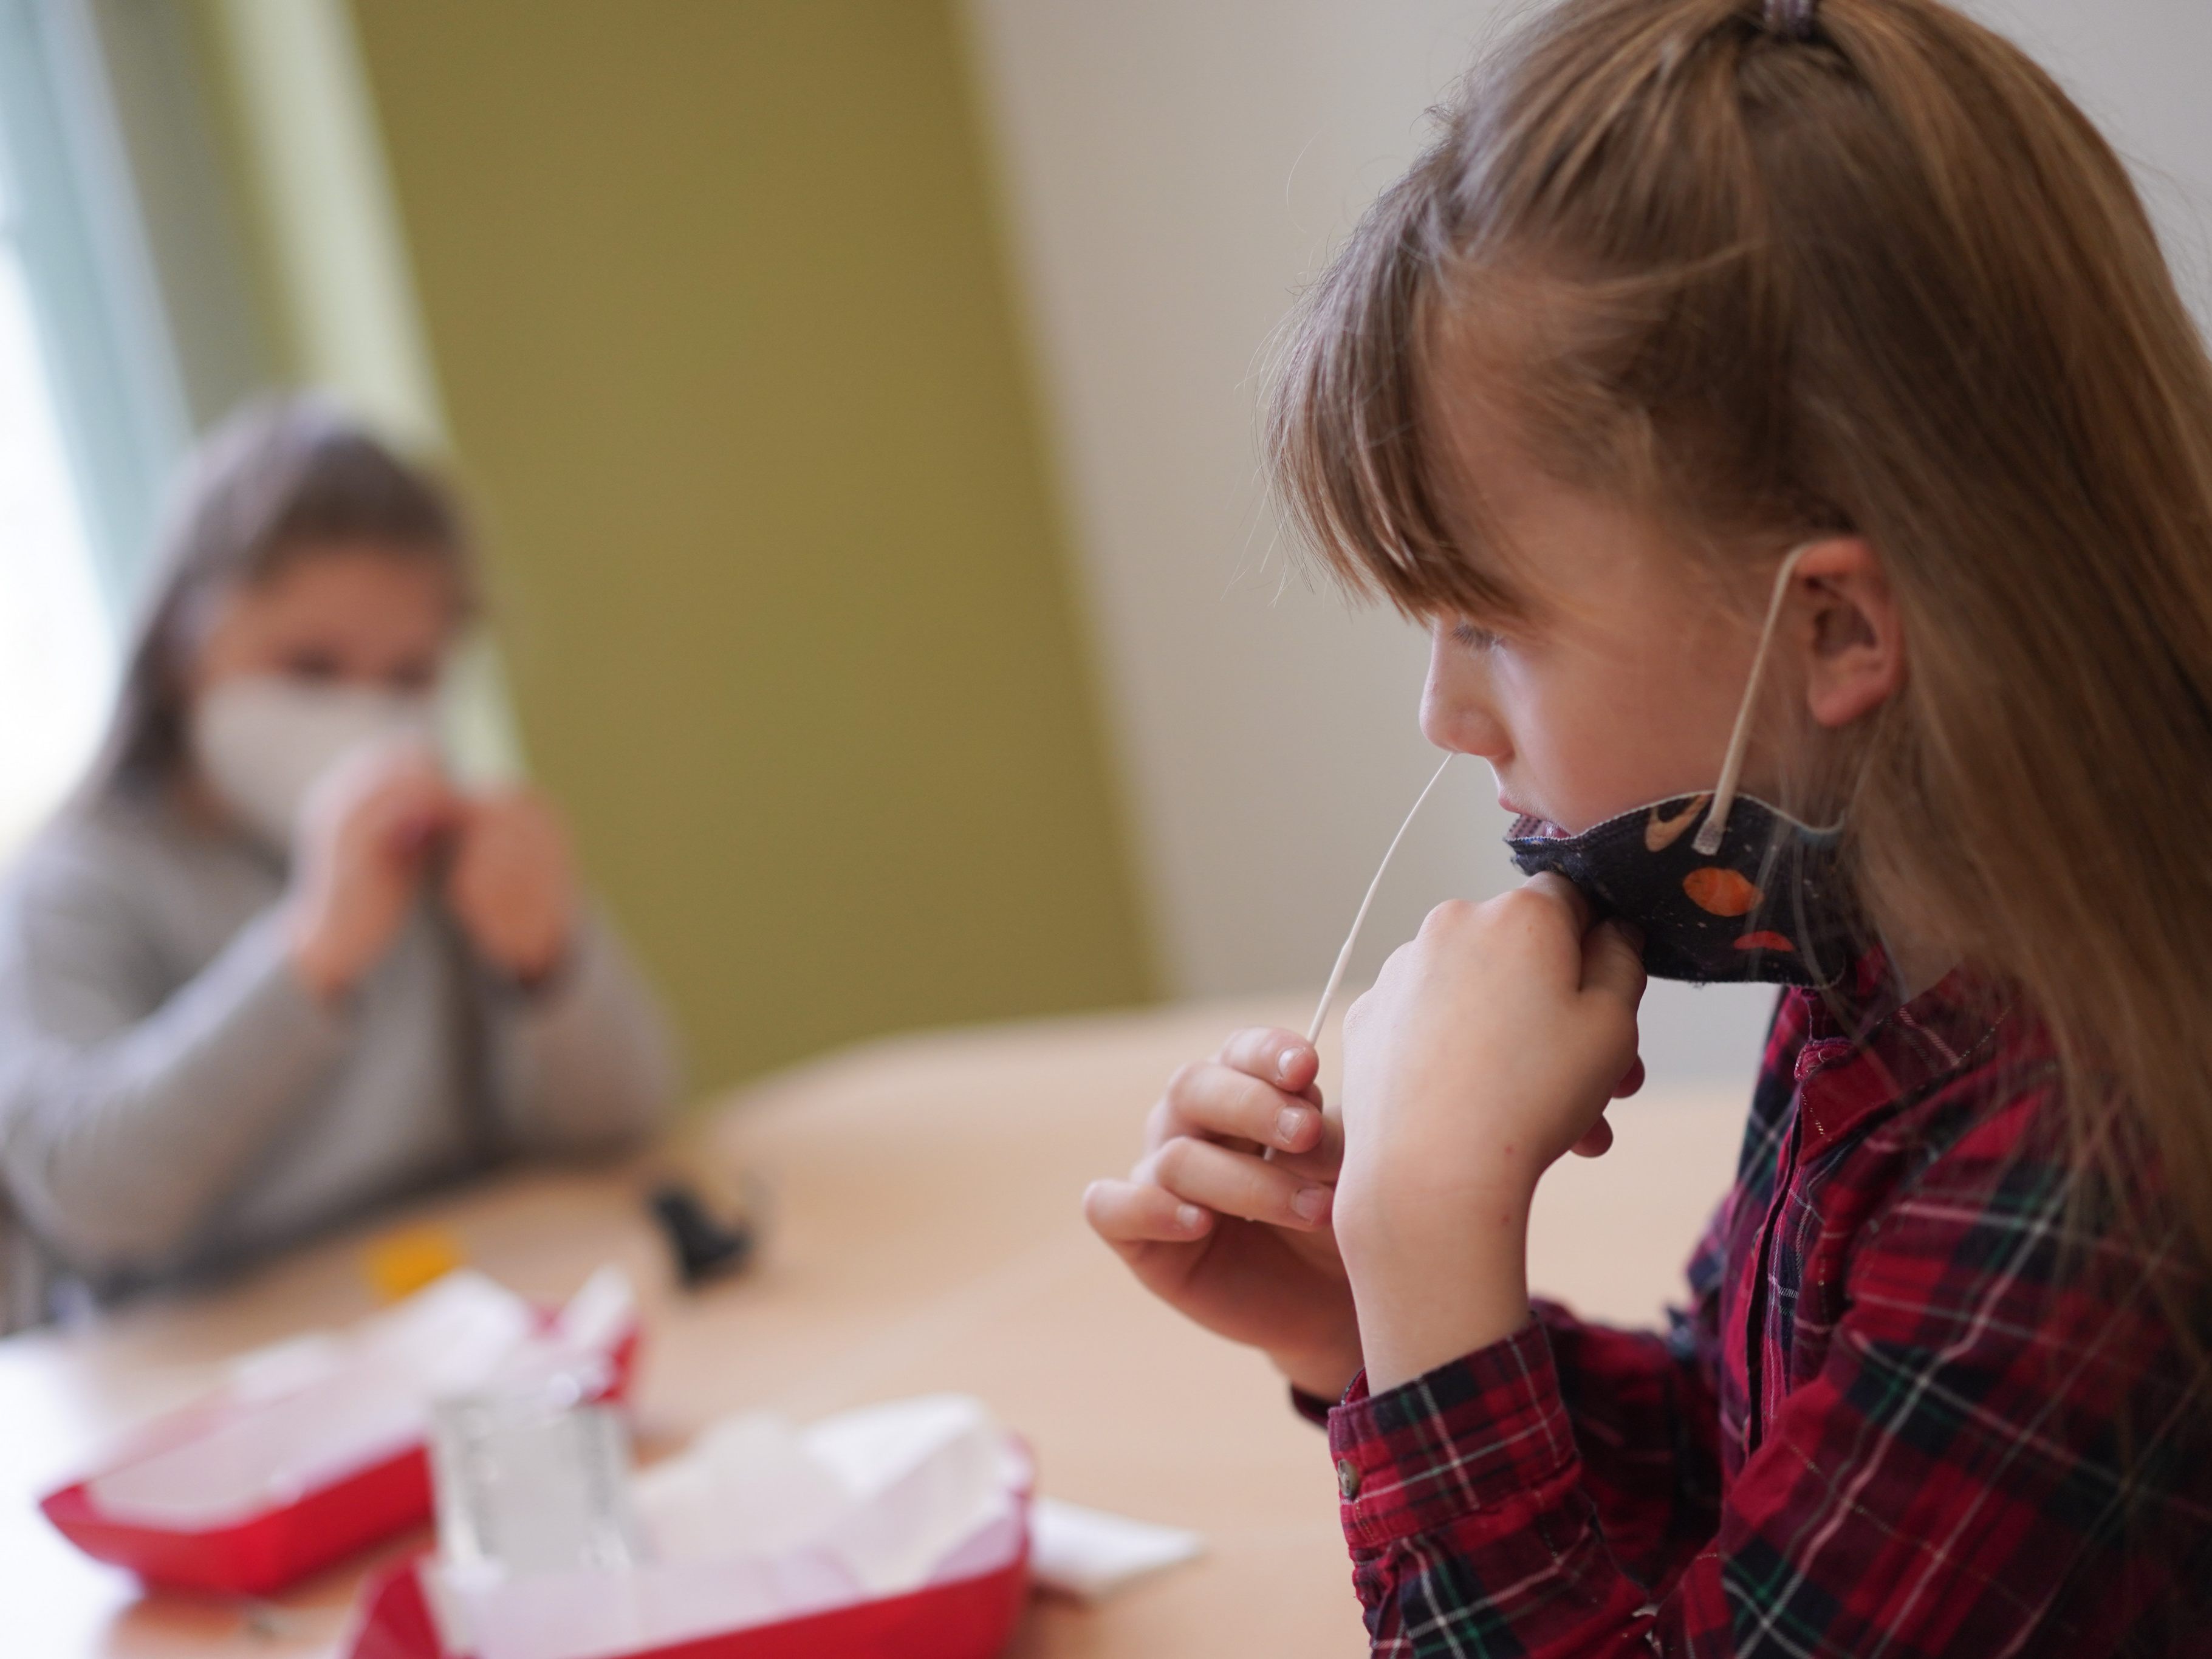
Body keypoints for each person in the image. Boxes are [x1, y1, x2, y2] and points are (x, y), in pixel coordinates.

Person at [1086, 0, 2212, 1649]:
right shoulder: (1900, 968)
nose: (1442, 719)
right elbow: (1750, 1478)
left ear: (1832, 629)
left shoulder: (2088, 1178)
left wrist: (1431, 1248)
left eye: (1492, 626)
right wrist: (1372, 1325)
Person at [0, 396, 677, 1327]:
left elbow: (626, 1117)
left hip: (463, 1318)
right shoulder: (77, 886)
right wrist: (311, 954)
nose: (363, 714)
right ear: (179, 651)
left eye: (407, 679)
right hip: (196, 1378)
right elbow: (90, 1200)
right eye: (309, 668)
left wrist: (545, 964)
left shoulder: (444, 837)